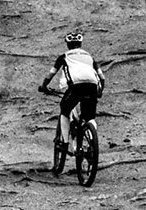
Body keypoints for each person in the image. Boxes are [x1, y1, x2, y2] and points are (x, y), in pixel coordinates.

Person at [40, 23, 105, 160]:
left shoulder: (64, 56)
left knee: (64, 110)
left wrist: (44, 86)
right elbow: (102, 77)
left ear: (68, 45)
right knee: (90, 117)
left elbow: (51, 74)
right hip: (92, 85)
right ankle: (93, 142)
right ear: (80, 44)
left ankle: (64, 143)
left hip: (76, 86)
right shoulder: (90, 57)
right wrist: (100, 91)